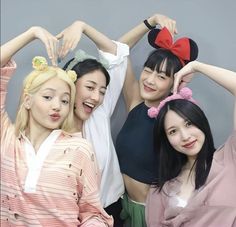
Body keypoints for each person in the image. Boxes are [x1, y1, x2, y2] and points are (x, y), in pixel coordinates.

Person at [56, 15, 179, 227]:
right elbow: (118, 51)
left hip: (118, 210)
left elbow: (115, 52)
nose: (96, 96)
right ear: (71, 86)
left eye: (102, 91)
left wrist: (83, 25)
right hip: (73, 215)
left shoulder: (99, 113)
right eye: (148, 71)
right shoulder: (52, 129)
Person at [0, 26, 113, 226]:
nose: (57, 106)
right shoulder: (6, 137)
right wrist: (32, 32)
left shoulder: (80, 149)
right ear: (27, 100)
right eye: (48, 96)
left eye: (65, 101)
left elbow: (92, 213)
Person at [116, 23, 199, 226]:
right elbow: (117, 49)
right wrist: (149, 22)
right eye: (148, 70)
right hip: (124, 206)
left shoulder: (173, 119)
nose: (150, 80)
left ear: (174, 83)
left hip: (154, 215)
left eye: (161, 77)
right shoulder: (135, 101)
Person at [146, 61, 236, 227]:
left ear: (200, 122)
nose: (185, 136)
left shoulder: (229, 158)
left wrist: (197, 66)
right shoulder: (162, 187)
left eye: (189, 124)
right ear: (166, 139)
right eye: (173, 131)